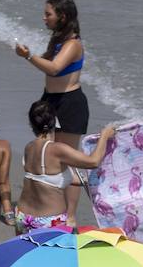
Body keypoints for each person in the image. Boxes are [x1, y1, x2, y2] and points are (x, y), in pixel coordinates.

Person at [15, 0, 90, 227]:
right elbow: (47, 64)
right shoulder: (57, 41)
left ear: (63, 16)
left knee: (67, 160)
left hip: (69, 103)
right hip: (50, 100)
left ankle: (70, 215)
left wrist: (28, 55)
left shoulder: (73, 44)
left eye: (48, 14)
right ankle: (48, 205)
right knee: (47, 154)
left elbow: (55, 69)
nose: (44, 18)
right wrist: (31, 55)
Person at [15, 100, 113, 233]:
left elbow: (47, 180)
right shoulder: (57, 149)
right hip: (49, 221)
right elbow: (93, 161)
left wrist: (94, 181)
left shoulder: (29, 148)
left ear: (31, 124)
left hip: (23, 217)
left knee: (27, 253)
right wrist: (105, 136)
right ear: (55, 121)